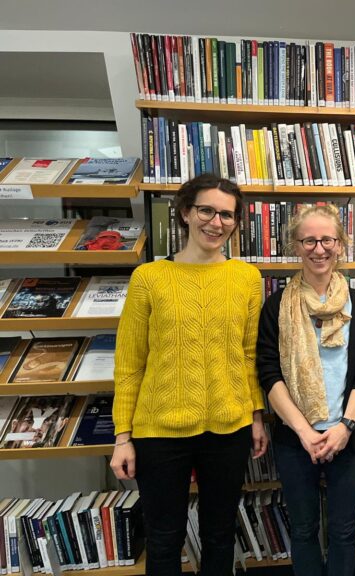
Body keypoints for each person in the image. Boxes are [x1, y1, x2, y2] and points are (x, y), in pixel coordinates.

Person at [110, 174, 268, 576]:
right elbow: (130, 364)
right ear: (184, 212)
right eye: (207, 211)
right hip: (159, 431)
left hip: (228, 429)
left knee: (219, 534)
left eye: (227, 215)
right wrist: (122, 437)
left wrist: (255, 416)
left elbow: (248, 354)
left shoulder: (247, 278)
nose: (217, 223)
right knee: (164, 539)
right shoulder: (148, 278)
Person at [256, 204, 355, 576]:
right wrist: (304, 431)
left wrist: (345, 426)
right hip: (296, 439)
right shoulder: (277, 306)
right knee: (304, 530)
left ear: (341, 245)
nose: (319, 248)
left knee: (344, 532)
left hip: (348, 436)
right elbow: (268, 372)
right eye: (308, 240)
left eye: (328, 239)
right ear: (296, 246)